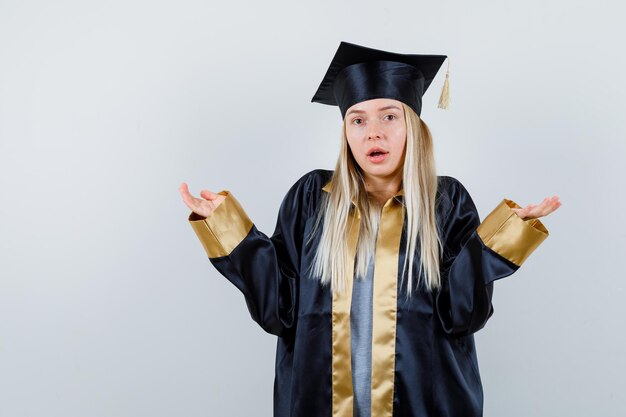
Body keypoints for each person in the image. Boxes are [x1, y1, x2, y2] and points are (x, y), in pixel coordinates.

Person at [179, 41, 561, 417]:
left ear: (413, 126)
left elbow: (463, 316)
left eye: (389, 116)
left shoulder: (446, 203)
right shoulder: (312, 199)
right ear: (345, 132)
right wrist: (228, 228)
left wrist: (503, 237)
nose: (372, 132)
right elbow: (277, 311)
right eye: (358, 119)